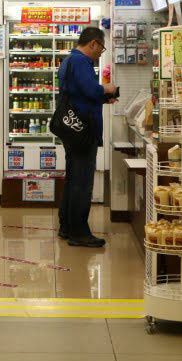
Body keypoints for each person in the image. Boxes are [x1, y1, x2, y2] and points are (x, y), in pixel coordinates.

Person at [56, 27, 118, 248]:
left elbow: (78, 94)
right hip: (83, 131)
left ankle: (66, 226)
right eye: (101, 47)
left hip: (73, 129)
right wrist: (106, 88)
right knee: (82, 182)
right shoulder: (81, 62)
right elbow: (90, 90)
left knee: (73, 179)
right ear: (93, 43)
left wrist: (103, 99)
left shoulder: (69, 60)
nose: (101, 52)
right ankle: (79, 233)